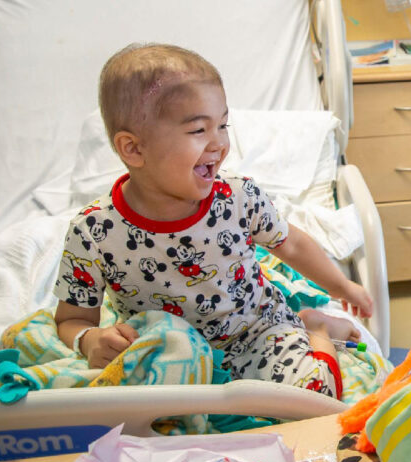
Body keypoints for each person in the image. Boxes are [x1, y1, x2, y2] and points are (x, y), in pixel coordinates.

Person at [53, 43, 373, 400]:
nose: (219, 143)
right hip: (168, 355)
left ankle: (315, 327)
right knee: (129, 419)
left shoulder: (239, 200)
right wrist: (89, 339)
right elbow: (71, 320)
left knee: (316, 397)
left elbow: (293, 244)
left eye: (223, 125)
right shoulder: (93, 233)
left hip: (258, 334)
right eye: (198, 131)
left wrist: (343, 288)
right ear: (134, 149)